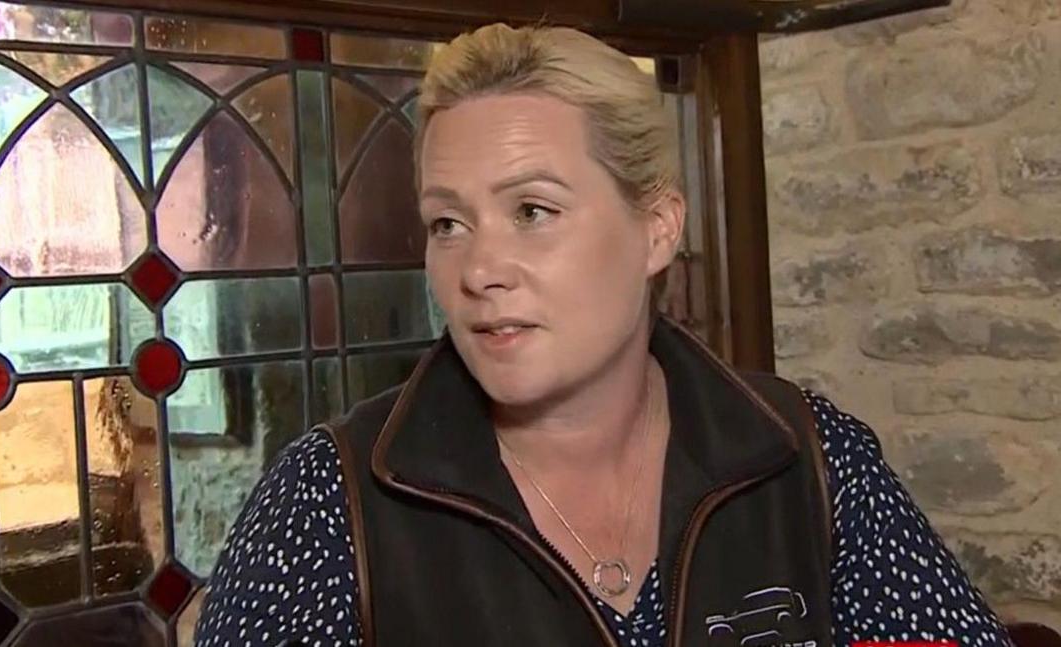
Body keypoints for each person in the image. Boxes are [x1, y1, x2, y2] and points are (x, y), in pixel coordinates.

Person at [194, 23, 1013, 647]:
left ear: (656, 227)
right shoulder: (328, 503)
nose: (480, 269)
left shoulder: (810, 459)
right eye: (448, 222)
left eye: (532, 212)